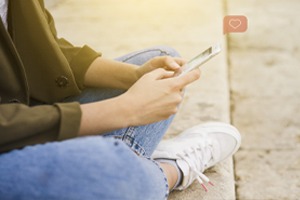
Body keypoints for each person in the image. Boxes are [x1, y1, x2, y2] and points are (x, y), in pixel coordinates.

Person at [0, 0, 241, 199]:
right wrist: (125, 109)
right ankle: (166, 170)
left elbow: (37, 47)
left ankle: (127, 171)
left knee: (164, 61)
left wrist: (134, 77)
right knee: (108, 166)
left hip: (20, 115)